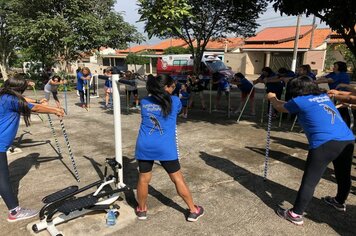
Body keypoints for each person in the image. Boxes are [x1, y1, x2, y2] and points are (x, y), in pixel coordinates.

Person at [266, 76, 354, 226]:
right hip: (347, 139)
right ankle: (339, 202)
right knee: (343, 174)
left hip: (324, 143)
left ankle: (295, 214)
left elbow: (280, 107)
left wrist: (272, 98)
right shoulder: (322, 96)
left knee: (310, 181)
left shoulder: (300, 101)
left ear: (296, 90)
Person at [134, 74, 204, 222]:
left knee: (143, 179)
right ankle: (193, 210)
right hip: (165, 147)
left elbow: (155, 103)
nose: (174, 88)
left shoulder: (144, 101)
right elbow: (177, 109)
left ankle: (141, 210)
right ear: (166, 87)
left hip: (145, 145)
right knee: (177, 179)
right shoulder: (175, 100)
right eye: (172, 86)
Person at [0, 76, 64, 222]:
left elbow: (26, 100)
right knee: (3, 179)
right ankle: (14, 212)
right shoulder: (11, 99)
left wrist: (37, 100)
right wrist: (54, 110)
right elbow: (33, 108)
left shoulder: (4, 95)